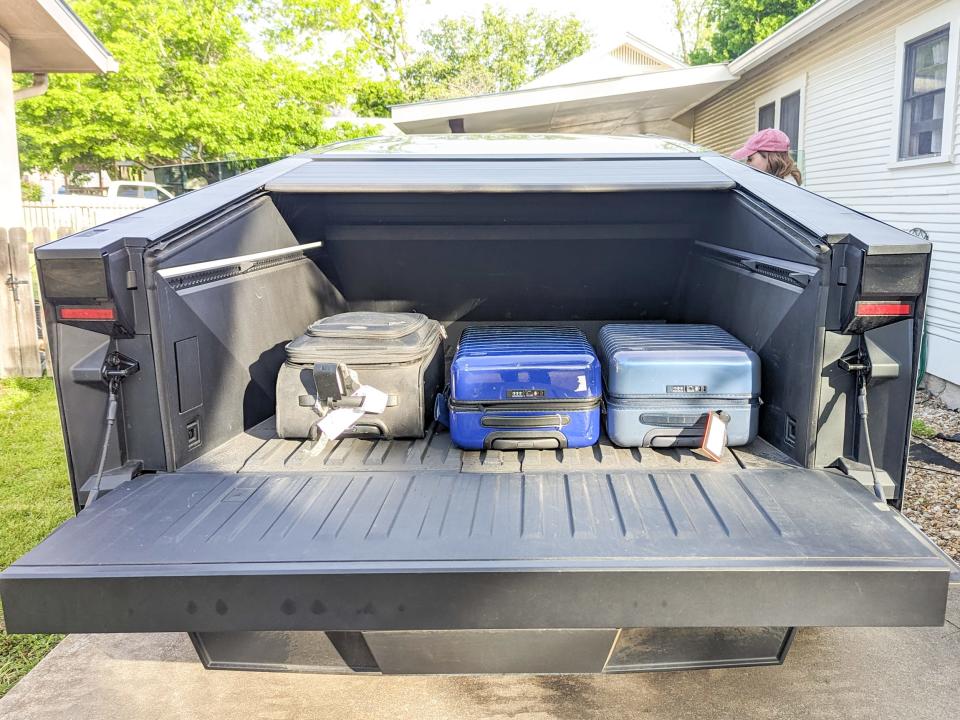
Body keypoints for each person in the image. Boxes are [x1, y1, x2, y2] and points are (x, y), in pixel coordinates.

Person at [731, 128, 802, 185]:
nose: (747, 164)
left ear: (771, 158)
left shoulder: (785, 188)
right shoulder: (775, 184)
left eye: (750, 159)